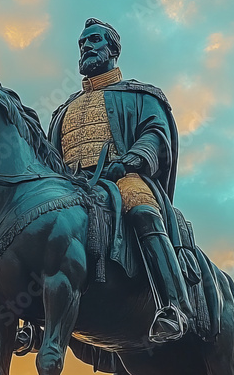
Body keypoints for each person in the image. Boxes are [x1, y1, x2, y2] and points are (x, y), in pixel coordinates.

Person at [48, 18, 193, 342]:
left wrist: (130, 160)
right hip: (70, 186)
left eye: (94, 40)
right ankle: (32, 321)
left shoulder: (141, 95)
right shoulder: (64, 109)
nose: (86, 47)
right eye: (82, 43)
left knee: (142, 211)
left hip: (122, 177)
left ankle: (173, 306)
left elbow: (156, 134)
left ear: (113, 49)